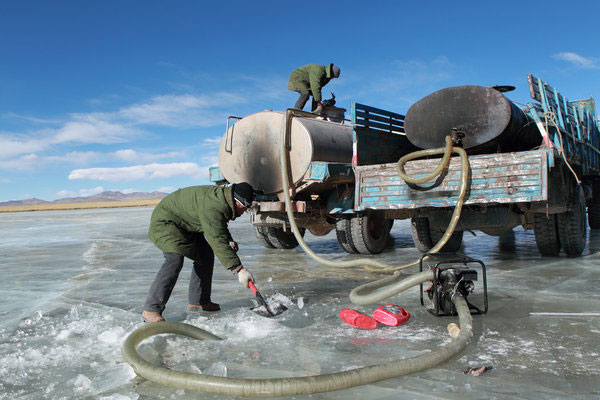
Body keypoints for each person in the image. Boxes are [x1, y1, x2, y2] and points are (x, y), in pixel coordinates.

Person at [142, 183, 256, 322]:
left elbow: (218, 226)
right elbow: (216, 238)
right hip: (166, 222)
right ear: (237, 201)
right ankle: (151, 309)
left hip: (186, 224)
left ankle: (199, 302)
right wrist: (239, 269)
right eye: (245, 207)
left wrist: (228, 240)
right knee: (174, 258)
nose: (244, 211)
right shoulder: (215, 205)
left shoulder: (223, 200)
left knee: (205, 255)